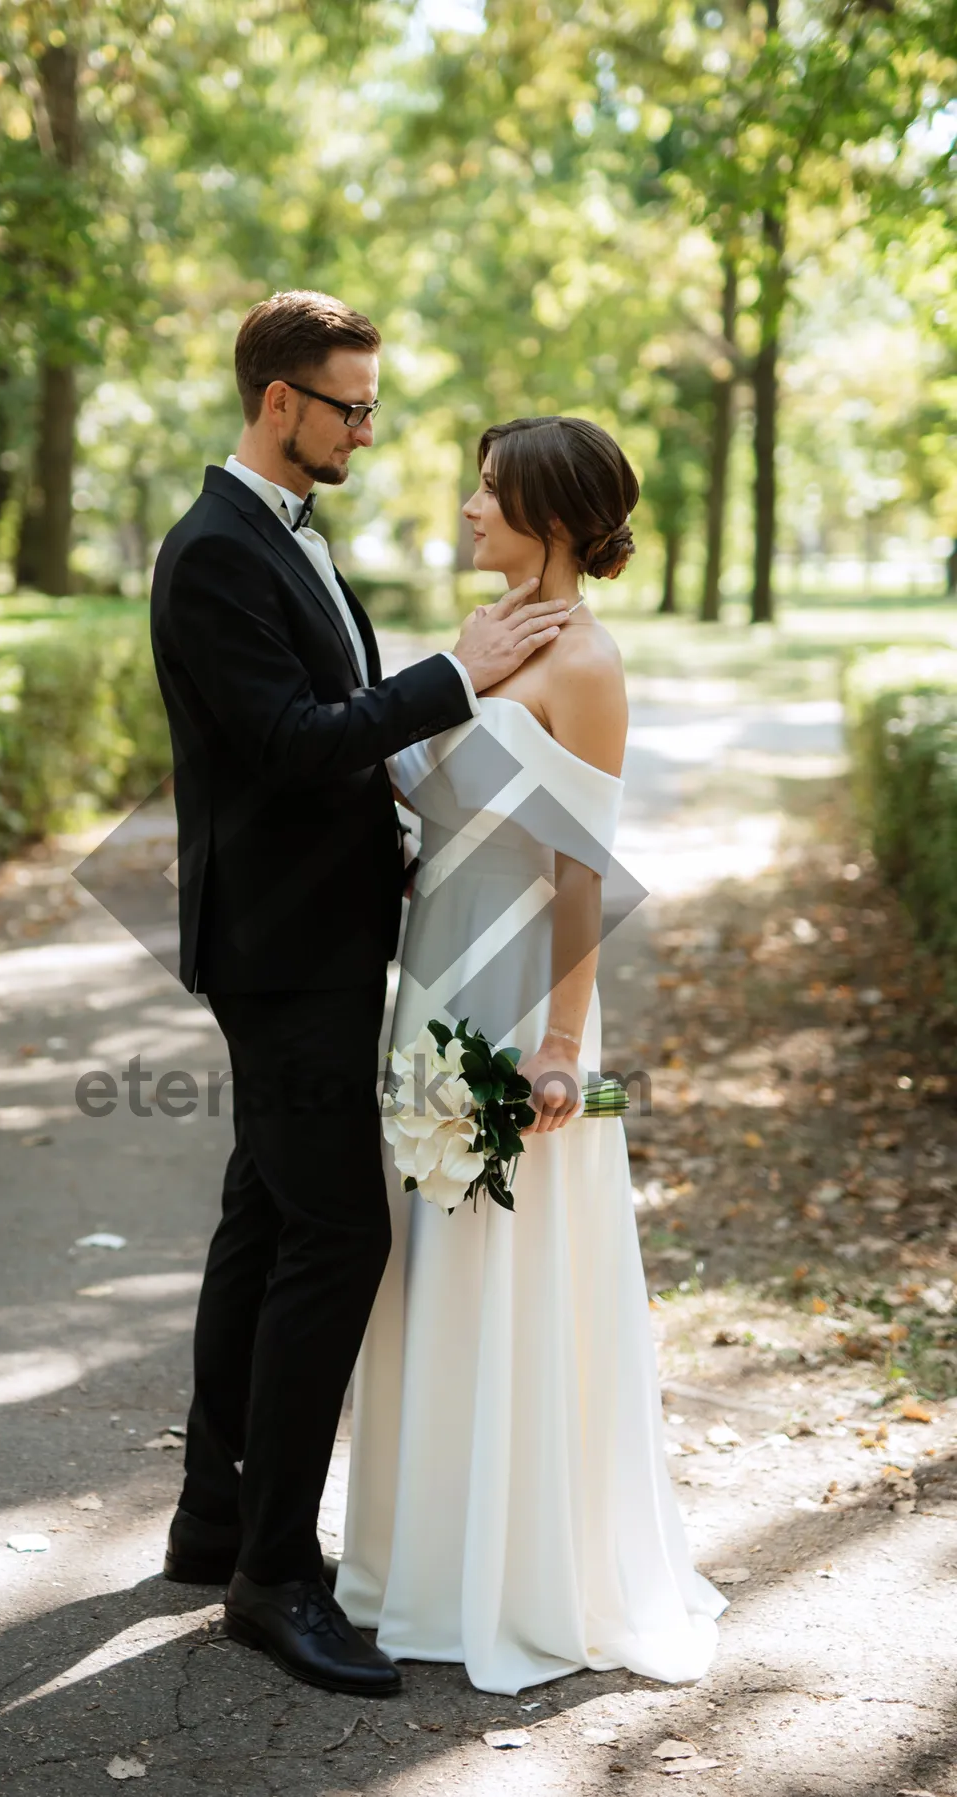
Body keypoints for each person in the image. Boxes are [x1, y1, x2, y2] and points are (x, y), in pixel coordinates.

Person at [148, 295, 572, 1696]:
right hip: (281, 955)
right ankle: (275, 1575)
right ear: (280, 402)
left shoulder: (285, 541)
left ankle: (214, 1519)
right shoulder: (213, 552)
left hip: (324, 926)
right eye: (351, 407)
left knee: (265, 1215)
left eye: (372, 406)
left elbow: (330, 751)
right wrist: (458, 676)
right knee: (339, 1238)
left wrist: (400, 835)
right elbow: (284, 745)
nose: (367, 430)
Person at [336, 414, 727, 1695]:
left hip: (516, 1004)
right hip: (426, 979)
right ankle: (418, 1558)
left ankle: (515, 1567)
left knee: (507, 1252)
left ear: (551, 520)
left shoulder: (588, 665)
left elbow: (577, 874)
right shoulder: (485, 640)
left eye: (489, 493)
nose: (464, 507)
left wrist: (563, 1045)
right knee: (420, 1258)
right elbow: (410, 782)